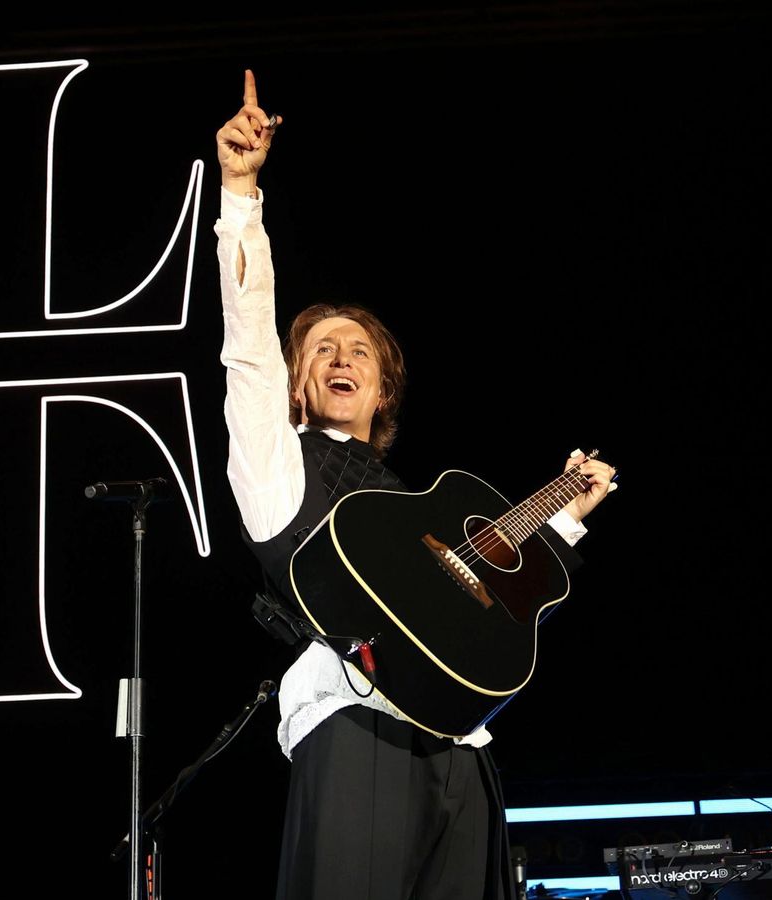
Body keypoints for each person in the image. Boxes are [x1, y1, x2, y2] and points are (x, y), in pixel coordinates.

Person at [214, 70, 618, 900]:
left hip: (463, 748)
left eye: (359, 352)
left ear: (384, 391)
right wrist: (240, 192)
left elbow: (501, 595)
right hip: (358, 729)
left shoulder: (408, 504)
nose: (341, 359)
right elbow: (248, 342)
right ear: (295, 383)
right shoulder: (276, 460)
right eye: (322, 349)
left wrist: (565, 520)